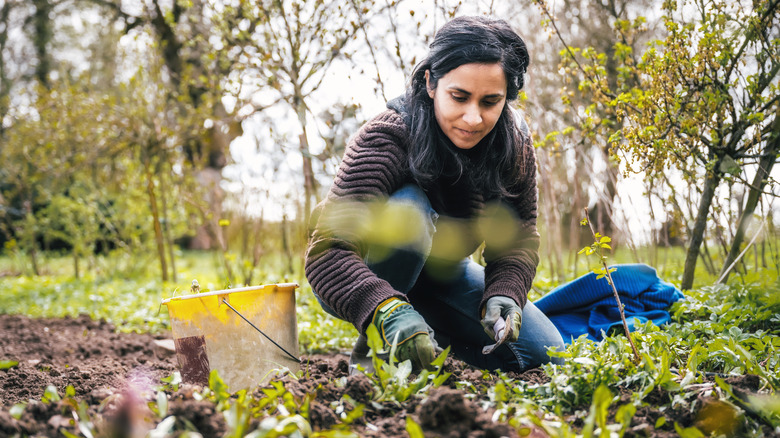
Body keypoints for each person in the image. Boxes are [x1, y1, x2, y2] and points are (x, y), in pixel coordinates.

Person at [305, 15, 565, 372]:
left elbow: (518, 238)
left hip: (444, 274)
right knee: (409, 213)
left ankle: (425, 343)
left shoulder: (513, 146)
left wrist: (505, 290)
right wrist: (384, 307)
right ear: (430, 82)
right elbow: (327, 252)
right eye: (459, 97)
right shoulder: (388, 136)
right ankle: (374, 354)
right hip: (358, 271)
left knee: (541, 352)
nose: (473, 118)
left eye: (490, 102)